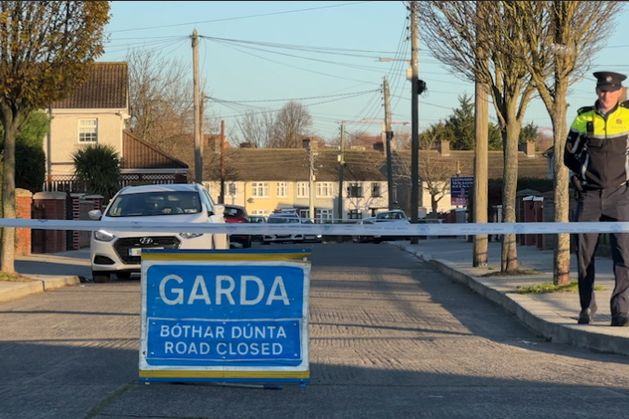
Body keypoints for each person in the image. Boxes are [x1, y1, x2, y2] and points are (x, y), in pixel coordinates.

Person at [564, 71, 629, 327]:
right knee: (584, 256)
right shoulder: (583, 118)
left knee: (624, 256)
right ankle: (586, 307)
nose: (606, 95)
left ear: (620, 92)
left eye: (611, 90)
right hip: (589, 195)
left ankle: (621, 311)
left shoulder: (627, 118)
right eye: (602, 90)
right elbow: (569, 155)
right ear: (597, 91)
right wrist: (580, 178)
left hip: (621, 196)